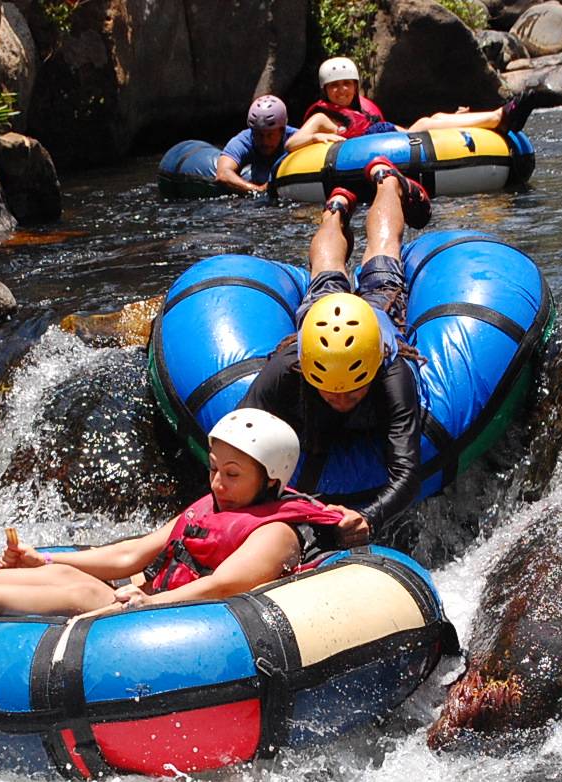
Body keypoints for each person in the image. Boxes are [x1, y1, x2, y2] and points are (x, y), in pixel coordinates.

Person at [0, 409, 344, 625]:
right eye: (215, 469)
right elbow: (132, 553)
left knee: (78, 592)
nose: (218, 483)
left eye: (233, 474)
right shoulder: (214, 508)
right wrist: (43, 561)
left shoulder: (277, 531)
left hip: (199, 624)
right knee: (63, 575)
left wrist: (148, 604)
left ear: (272, 480)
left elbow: (223, 587)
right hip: (157, 602)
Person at [238, 157, 433, 548]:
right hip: (320, 317)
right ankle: (337, 207)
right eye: (330, 391)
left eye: (353, 391)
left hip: (378, 315)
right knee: (325, 269)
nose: (341, 399)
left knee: (383, 253)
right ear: (309, 371)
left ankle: (387, 183)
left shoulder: (392, 374)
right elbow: (238, 436)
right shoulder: (289, 366)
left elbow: (407, 471)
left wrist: (368, 517)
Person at [300, 56, 537, 141]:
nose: (341, 91)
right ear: (325, 91)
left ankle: (499, 117)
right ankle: (500, 116)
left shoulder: (361, 112)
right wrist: (319, 136)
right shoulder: (322, 117)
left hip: (394, 137)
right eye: (334, 87)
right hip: (377, 148)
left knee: (438, 117)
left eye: (346, 84)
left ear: (355, 86)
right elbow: (293, 143)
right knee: (424, 123)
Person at [215, 95, 338, 195]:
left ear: (282, 130)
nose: (265, 141)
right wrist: (257, 190)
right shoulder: (244, 139)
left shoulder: (296, 138)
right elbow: (223, 174)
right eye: (259, 135)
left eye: (270, 135)